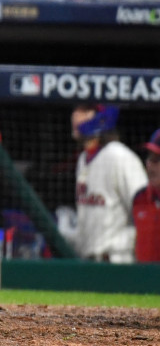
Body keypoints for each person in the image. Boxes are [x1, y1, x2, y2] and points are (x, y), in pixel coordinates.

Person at [67, 104, 147, 263]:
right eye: (75, 110)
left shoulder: (120, 156)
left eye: (84, 111)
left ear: (101, 117)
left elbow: (145, 209)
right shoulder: (83, 159)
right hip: (89, 261)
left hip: (117, 260)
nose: (75, 116)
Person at [133, 129, 160, 263]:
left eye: (157, 159)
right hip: (143, 282)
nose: (150, 164)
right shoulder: (139, 198)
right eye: (150, 157)